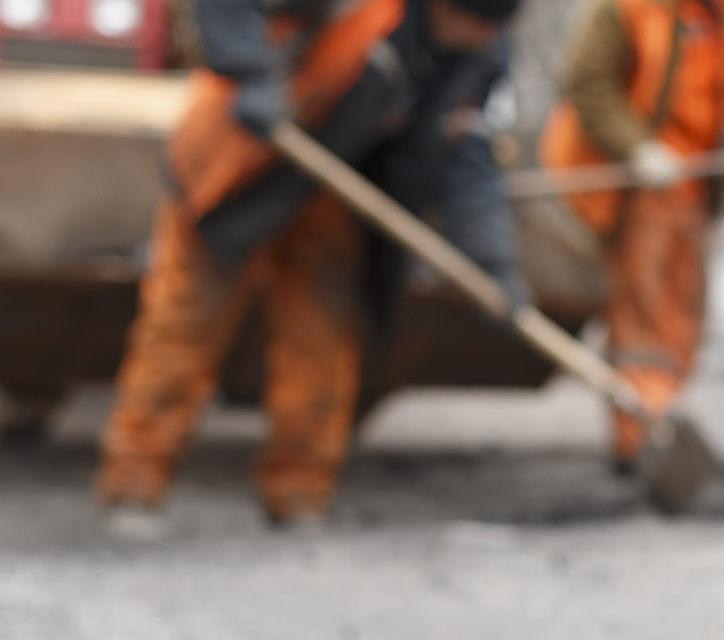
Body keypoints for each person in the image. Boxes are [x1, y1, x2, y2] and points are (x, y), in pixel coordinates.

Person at [96, 0, 525, 524]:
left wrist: (492, 264)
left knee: (322, 345)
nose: (481, 35)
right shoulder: (361, 8)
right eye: (474, 22)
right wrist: (248, 74)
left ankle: (299, 494)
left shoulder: (478, 57)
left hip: (323, 188)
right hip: (238, 164)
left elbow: (466, 162)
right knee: (184, 331)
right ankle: (134, 486)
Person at [540, 0, 724, 470]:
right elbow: (587, 85)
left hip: (694, 180)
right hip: (627, 180)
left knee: (683, 311)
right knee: (642, 311)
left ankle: (663, 417)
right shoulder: (624, 8)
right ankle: (642, 434)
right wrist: (636, 148)